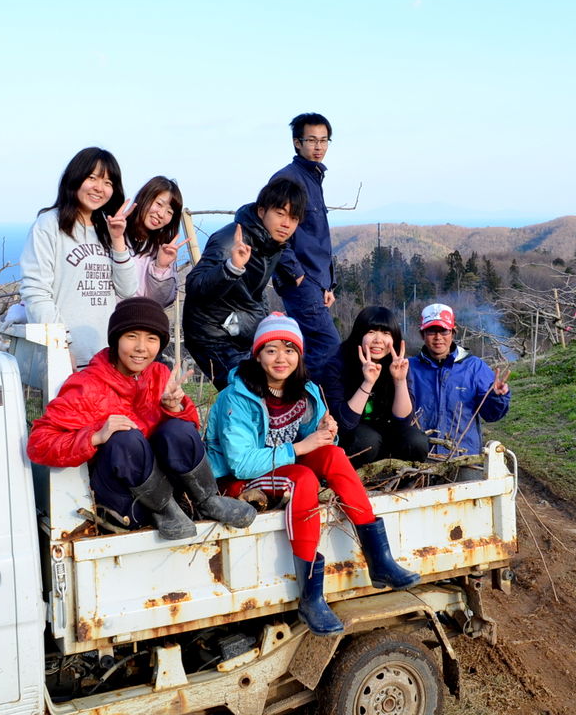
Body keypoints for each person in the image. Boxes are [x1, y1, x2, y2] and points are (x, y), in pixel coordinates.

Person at [204, 313, 419, 636]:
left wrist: (327, 431)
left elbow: (316, 439)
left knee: (333, 455)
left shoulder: (304, 390)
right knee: (302, 478)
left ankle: (379, 559)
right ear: (257, 355)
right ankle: (310, 597)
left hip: (281, 464)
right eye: (271, 350)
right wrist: (301, 447)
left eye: (289, 350)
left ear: (299, 355)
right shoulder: (238, 396)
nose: (281, 358)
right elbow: (241, 463)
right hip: (241, 479)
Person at [26, 297, 255, 540]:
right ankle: (163, 510)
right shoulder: (87, 386)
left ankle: (207, 500)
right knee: (125, 437)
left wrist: (175, 408)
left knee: (177, 429)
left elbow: (188, 432)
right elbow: (39, 443)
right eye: (132, 336)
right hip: (125, 503)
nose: (141, 347)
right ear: (116, 339)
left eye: (151, 338)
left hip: (174, 494)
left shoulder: (159, 375)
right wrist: (95, 437)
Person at [19, 147, 139, 368]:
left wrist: (118, 239)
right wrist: (60, 347)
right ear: (75, 178)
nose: (99, 188)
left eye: (108, 182)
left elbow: (128, 290)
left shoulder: (109, 229)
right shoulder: (49, 225)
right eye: (92, 178)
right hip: (65, 360)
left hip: (107, 359)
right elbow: (36, 292)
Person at [183, 178, 306, 392]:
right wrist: (231, 267)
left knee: (280, 381)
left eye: (293, 218)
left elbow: (255, 291)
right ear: (261, 211)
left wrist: (266, 321)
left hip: (239, 331)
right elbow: (195, 286)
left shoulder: (270, 243)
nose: (286, 224)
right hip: (213, 336)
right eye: (280, 213)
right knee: (248, 391)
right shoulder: (232, 239)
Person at [270, 113, 339, 381]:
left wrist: (327, 285)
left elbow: (316, 237)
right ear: (297, 142)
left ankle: (297, 400)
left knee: (308, 346)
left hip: (314, 282)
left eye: (324, 140)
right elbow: (274, 232)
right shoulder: (288, 179)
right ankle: (308, 399)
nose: (318, 146)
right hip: (300, 280)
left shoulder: (313, 177)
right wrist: (297, 274)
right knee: (327, 345)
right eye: (311, 140)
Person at [322, 305, 430, 466]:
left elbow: (403, 422)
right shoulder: (338, 363)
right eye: (371, 332)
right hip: (351, 438)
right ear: (359, 334)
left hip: (386, 433)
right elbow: (344, 424)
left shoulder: (397, 363)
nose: (378, 340)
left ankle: (405, 476)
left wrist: (399, 381)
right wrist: (368, 382)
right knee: (367, 440)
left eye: (386, 333)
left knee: (416, 441)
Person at [408, 303, 511, 468]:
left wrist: (496, 397)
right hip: (417, 459)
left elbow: (492, 415)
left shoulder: (475, 367)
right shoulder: (408, 368)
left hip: (464, 458)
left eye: (444, 331)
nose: (438, 337)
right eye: (431, 331)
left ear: (453, 332)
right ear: (423, 334)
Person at [127, 175, 186, 308]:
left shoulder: (163, 250)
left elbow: (161, 301)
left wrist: (161, 267)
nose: (161, 214)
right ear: (144, 197)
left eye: (169, 212)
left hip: (141, 319)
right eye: (159, 204)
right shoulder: (114, 234)